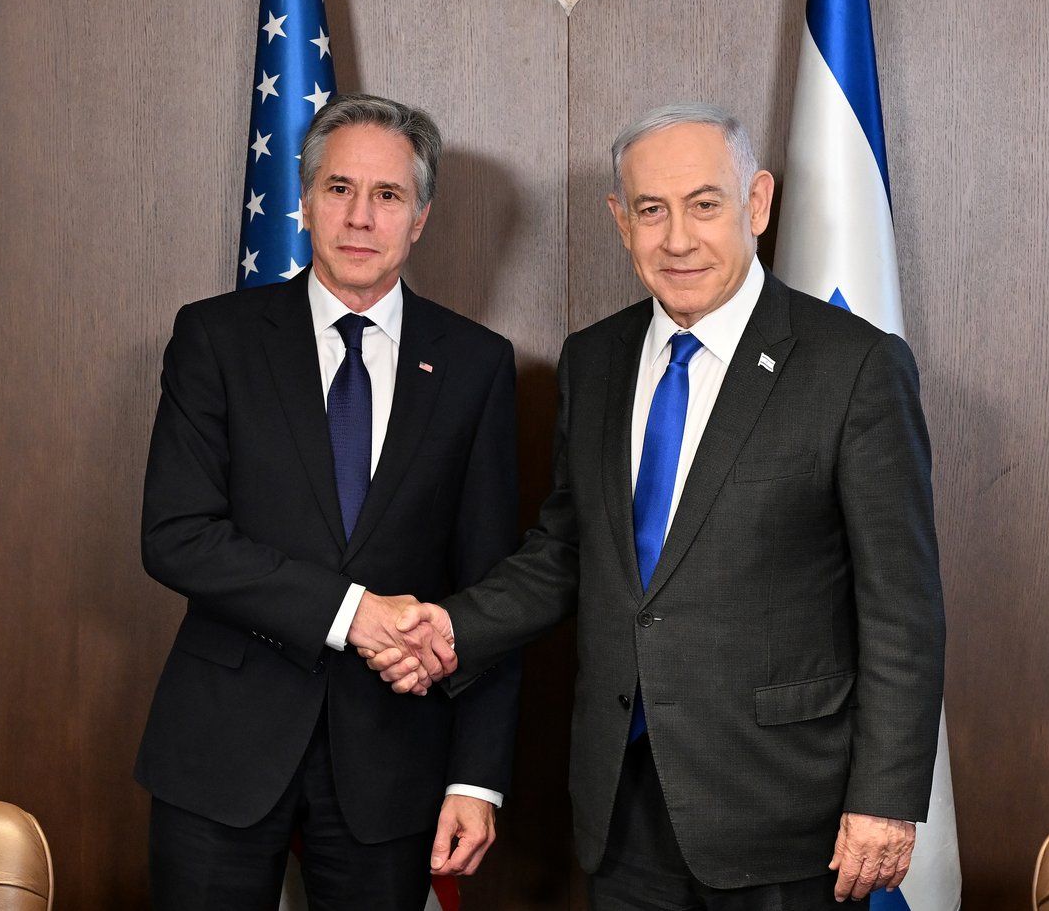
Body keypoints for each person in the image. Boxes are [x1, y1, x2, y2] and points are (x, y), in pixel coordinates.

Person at [365, 103, 945, 909]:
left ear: (757, 203)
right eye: (651, 210)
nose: (678, 238)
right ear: (620, 219)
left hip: (784, 812)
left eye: (704, 204)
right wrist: (450, 627)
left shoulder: (854, 367)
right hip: (622, 809)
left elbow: (901, 607)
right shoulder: (594, 360)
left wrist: (884, 796)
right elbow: (568, 550)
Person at [136, 93, 518, 910]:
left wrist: (476, 777)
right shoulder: (216, 337)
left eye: (388, 195)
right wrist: (353, 614)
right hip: (222, 749)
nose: (360, 217)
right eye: (339, 188)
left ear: (420, 217)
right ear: (305, 201)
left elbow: (493, 588)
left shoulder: (476, 364)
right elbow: (177, 534)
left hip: (394, 760)